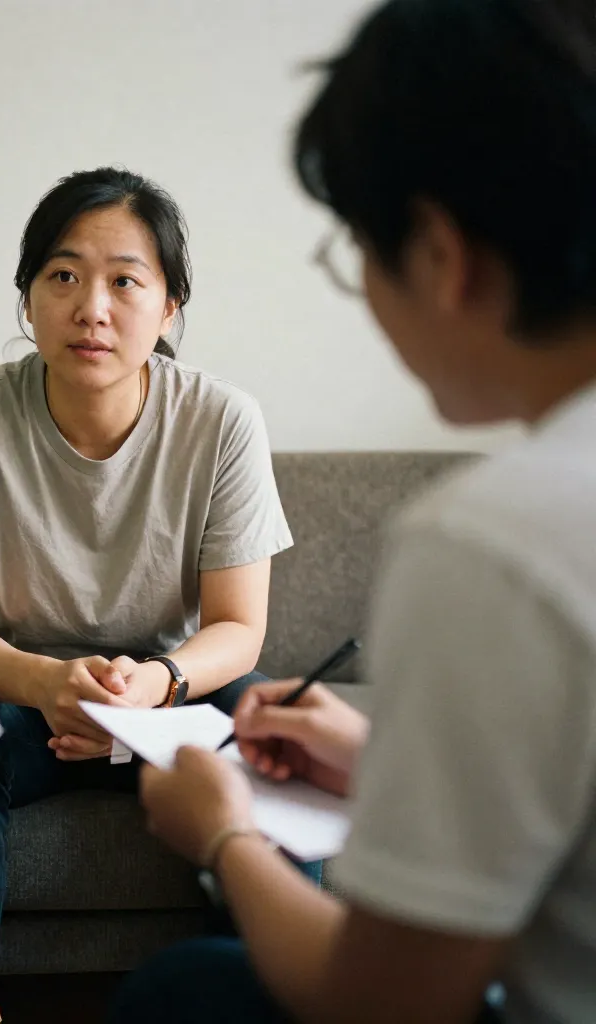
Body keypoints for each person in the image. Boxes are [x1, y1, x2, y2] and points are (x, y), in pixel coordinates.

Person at [112, 0, 596, 1022]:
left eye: (356, 252)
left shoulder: (492, 538)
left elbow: (381, 1002)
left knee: (176, 993)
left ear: (437, 251)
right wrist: (387, 769)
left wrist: (225, 834)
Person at [0, 166, 301, 1018]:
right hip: (23, 699)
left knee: (274, 734)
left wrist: (152, 688)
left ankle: (279, 1002)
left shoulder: (224, 421)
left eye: (126, 280)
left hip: (170, 696)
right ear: (28, 296)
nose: (93, 308)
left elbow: (237, 626)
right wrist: (50, 684)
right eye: (64, 276)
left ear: (170, 306)